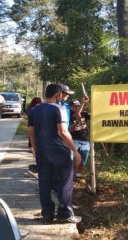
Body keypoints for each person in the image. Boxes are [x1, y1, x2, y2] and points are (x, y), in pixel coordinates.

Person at [28, 83, 82, 224]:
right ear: (58, 94)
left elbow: (31, 134)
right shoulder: (60, 108)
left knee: (44, 182)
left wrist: (35, 150)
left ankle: (47, 214)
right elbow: (63, 132)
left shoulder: (34, 110)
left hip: (41, 150)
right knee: (65, 180)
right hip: (57, 149)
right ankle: (65, 213)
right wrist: (75, 151)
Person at [69, 96, 90, 178]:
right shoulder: (69, 115)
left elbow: (94, 114)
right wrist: (77, 121)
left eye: (78, 106)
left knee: (83, 159)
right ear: (70, 107)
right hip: (73, 140)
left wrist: (87, 103)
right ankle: (69, 174)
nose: (76, 107)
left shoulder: (84, 114)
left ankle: (78, 174)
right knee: (70, 158)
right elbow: (71, 129)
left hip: (85, 140)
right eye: (74, 106)